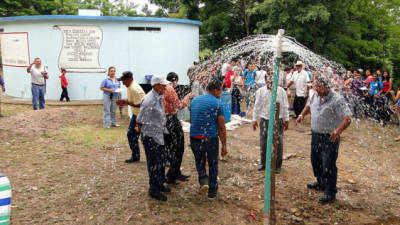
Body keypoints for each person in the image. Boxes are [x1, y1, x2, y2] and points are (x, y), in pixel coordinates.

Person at [296, 77, 352, 204]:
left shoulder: (337, 99)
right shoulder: (315, 95)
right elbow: (309, 106)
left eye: (320, 88)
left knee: (328, 164)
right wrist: (301, 115)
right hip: (316, 135)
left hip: (330, 137)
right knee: (315, 161)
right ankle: (320, 182)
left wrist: (338, 131)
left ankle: (330, 191)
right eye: (316, 87)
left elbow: (347, 118)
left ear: (327, 87)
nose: (317, 90)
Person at [190, 78, 227, 199]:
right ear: (216, 90)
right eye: (220, 90)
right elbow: (221, 127)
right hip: (210, 138)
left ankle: (203, 181)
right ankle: (212, 190)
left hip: (194, 137)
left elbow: (193, 118)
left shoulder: (194, 100)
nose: (221, 93)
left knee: (199, 162)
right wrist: (224, 145)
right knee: (213, 163)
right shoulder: (218, 103)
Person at [135, 75, 170, 201]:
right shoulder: (149, 100)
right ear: (155, 85)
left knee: (161, 162)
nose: (165, 87)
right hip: (150, 136)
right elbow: (140, 118)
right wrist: (139, 128)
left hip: (158, 134)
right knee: (154, 164)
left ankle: (160, 184)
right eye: (163, 85)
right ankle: (153, 190)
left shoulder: (158, 96)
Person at [252, 75, 289, 173]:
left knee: (278, 142)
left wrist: (287, 119)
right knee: (263, 142)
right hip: (265, 119)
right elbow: (257, 106)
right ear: (265, 80)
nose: (271, 81)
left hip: (278, 120)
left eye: (273, 79)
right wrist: (254, 119)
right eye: (269, 79)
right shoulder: (260, 91)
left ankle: (277, 165)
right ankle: (263, 163)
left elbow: (285, 106)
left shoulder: (281, 91)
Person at [163, 72, 193, 184]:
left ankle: (175, 172)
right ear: (175, 80)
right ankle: (172, 175)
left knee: (172, 147)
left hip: (167, 119)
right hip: (170, 120)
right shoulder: (170, 89)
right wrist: (187, 97)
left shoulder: (164, 88)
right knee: (178, 147)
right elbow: (179, 106)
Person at [116, 71, 145, 163]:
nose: (123, 83)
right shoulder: (130, 86)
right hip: (136, 114)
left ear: (129, 79)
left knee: (136, 136)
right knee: (133, 135)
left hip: (141, 115)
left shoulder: (134, 89)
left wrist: (125, 102)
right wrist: (124, 102)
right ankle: (136, 156)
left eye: (124, 81)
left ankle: (138, 156)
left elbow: (141, 104)